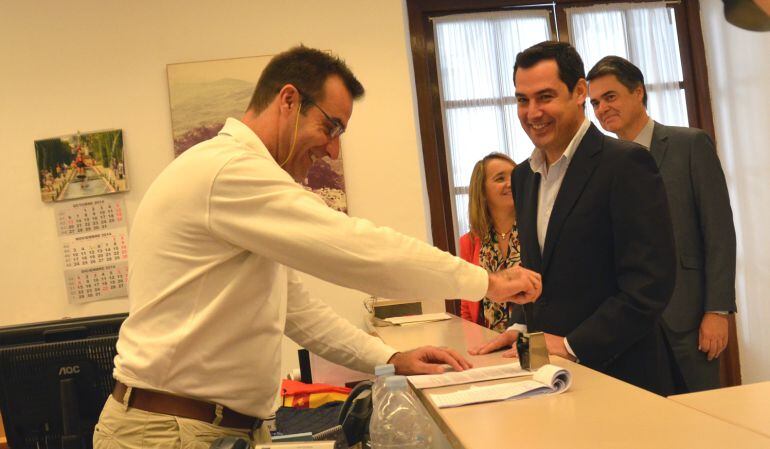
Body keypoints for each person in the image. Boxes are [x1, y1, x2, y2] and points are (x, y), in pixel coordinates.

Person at [93, 46, 542, 448]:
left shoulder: (231, 177)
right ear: (288, 100)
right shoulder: (227, 170)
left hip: (212, 429)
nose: (331, 149)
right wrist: (486, 281)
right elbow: (355, 249)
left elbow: (295, 310)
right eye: (330, 127)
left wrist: (390, 357)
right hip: (171, 433)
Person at [470, 41, 676, 395]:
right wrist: (518, 328)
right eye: (523, 100)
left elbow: (649, 286)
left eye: (545, 97)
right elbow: (539, 277)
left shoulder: (626, 163)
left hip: (623, 376)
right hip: (552, 379)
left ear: (579, 92)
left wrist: (571, 345)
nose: (533, 112)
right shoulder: (523, 177)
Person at [586, 56, 737, 393]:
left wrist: (717, 310)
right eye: (594, 103)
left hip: (688, 318)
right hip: (626, 327)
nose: (601, 109)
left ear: (638, 92)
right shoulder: (600, 165)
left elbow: (719, 233)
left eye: (610, 97)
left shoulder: (689, 145)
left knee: (701, 423)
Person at [459, 153, 521, 331]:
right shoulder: (469, 242)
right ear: (482, 191)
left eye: (514, 176)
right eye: (500, 178)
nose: (511, 183)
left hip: (530, 339)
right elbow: (467, 302)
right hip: (491, 343)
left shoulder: (536, 230)